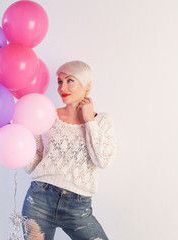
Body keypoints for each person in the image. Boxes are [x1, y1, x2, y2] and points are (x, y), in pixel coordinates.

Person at [22, 60, 116, 240]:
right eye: (59, 81)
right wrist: (23, 138)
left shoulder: (103, 121)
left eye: (69, 80)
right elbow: (31, 165)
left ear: (87, 85)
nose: (62, 87)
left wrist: (89, 120)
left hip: (78, 207)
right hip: (39, 199)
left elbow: (102, 160)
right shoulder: (47, 116)